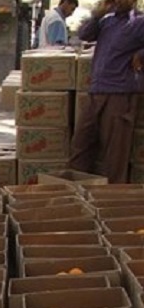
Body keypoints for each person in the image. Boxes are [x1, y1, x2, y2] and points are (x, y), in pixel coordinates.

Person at [67, 0, 144, 184]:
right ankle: (74, 196)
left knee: (115, 156)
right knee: (80, 146)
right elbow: (85, 34)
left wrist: (141, 54)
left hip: (120, 94)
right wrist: (97, 13)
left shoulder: (139, 22)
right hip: (96, 91)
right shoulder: (106, 21)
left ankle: (110, 202)